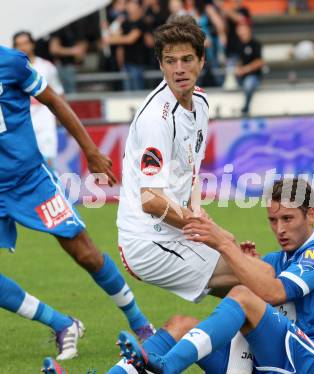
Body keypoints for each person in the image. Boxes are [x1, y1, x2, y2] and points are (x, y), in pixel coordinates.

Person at [109, 15, 256, 373]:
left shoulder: (201, 105)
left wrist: (206, 223)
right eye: (170, 61)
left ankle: (138, 365)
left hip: (172, 228)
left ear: (202, 60)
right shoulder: (157, 119)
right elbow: (151, 200)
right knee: (254, 280)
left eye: (187, 59)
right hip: (147, 240)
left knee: (249, 281)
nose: (179, 69)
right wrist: (216, 238)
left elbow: (189, 176)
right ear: (160, 64)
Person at [0, 44, 154, 360]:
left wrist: (91, 152)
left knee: (84, 253)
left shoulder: (10, 63)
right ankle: (61, 324)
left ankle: (140, 323)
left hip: (30, 180)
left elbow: (54, 100)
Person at [113, 177, 314, 374]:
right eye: (273, 220)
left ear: (310, 215)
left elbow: (273, 293)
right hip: (280, 359)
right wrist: (243, 261)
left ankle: (168, 366)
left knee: (243, 294)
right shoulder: (275, 260)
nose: (279, 229)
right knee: (181, 325)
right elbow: (235, 308)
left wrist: (224, 245)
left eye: (287, 218)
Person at [13, 31, 64, 168]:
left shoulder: (47, 67)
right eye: (18, 45)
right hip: (22, 124)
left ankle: (51, 189)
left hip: (45, 123)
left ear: (32, 44)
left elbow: (58, 94)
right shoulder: (11, 70)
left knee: (48, 164)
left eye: (25, 43)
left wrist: (62, 119)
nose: (22, 47)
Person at [49, 20, 88, 93]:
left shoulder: (77, 25)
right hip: (63, 66)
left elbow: (82, 47)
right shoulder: (59, 27)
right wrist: (73, 51)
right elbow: (54, 49)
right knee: (68, 95)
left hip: (73, 66)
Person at [235, 20, 264, 116]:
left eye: (242, 30)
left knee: (249, 83)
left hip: (254, 75)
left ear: (248, 31)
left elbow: (260, 62)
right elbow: (239, 61)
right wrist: (238, 69)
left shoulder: (256, 44)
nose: (241, 33)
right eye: (239, 31)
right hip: (241, 77)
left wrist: (245, 69)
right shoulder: (239, 45)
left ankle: (246, 108)